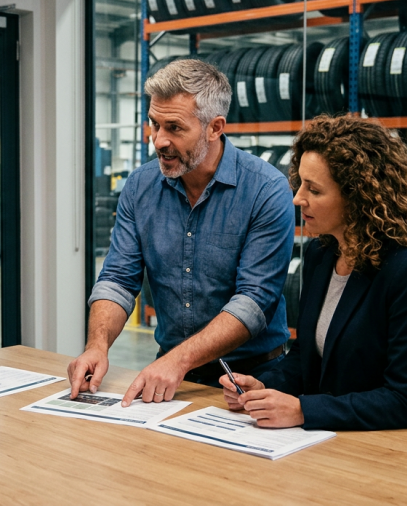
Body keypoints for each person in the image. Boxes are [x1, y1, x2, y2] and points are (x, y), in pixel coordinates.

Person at [67, 59, 295, 406]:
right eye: (154, 124)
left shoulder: (266, 190)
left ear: (215, 127)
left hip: (254, 379)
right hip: (172, 375)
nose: (159, 141)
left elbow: (254, 301)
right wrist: (97, 346)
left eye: (174, 128)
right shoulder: (140, 187)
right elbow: (117, 279)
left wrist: (178, 359)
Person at [220, 115, 407, 436]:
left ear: (358, 197)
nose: (297, 198)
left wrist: (304, 410)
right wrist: (263, 385)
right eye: (300, 182)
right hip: (341, 438)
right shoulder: (321, 255)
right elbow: (307, 358)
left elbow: (406, 399)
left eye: (314, 190)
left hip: (405, 447)